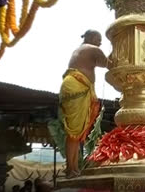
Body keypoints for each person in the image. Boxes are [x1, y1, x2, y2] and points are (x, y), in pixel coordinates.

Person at [59, 29, 113, 179]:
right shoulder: (93, 49)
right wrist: (117, 46)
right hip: (77, 87)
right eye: (99, 39)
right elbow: (109, 65)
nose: (101, 42)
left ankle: (74, 168)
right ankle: (70, 169)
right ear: (92, 37)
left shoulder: (81, 49)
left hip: (75, 86)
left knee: (76, 133)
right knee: (74, 132)